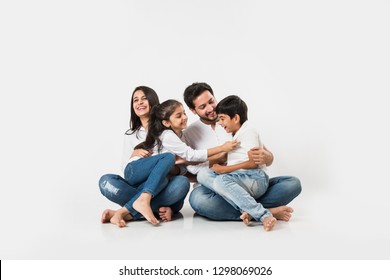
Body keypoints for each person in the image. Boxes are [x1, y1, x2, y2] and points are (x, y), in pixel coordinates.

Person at [182, 82, 302, 222]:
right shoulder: (189, 134)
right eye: (203, 107)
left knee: (293, 183)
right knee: (199, 200)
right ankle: (263, 211)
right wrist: (218, 160)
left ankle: (250, 210)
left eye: (211, 101)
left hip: (247, 181)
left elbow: (264, 154)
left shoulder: (232, 119)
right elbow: (190, 171)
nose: (210, 108)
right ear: (193, 110)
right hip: (215, 189)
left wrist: (268, 157)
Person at [98, 86, 190, 227]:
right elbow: (125, 171)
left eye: (144, 98)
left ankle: (125, 212)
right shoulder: (130, 135)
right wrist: (133, 155)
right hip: (138, 184)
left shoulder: (168, 129)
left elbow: (183, 167)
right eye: (135, 100)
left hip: (163, 185)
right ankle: (149, 206)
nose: (139, 102)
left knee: (181, 183)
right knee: (105, 182)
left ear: (153, 101)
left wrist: (164, 169)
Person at [197, 95, 276, 231]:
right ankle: (248, 209)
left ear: (236, 118)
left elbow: (253, 164)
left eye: (222, 119)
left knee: (221, 181)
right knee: (202, 174)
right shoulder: (232, 133)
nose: (220, 123)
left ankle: (263, 214)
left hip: (256, 177)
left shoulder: (249, 130)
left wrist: (224, 169)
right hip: (239, 178)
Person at [135, 99, 239, 171]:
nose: (184, 117)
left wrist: (185, 162)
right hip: (143, 170)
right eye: (179, 116)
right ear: (166, 123)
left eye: (184, 113)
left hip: (163, 173)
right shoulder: (168, 135)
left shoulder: (181, 135)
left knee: (183, 181)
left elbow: (189, 161)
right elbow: (191, 155)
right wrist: (222, 148)